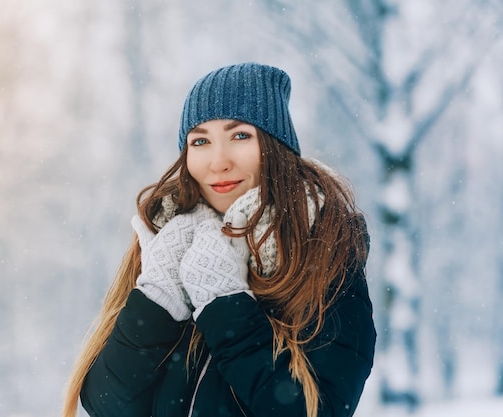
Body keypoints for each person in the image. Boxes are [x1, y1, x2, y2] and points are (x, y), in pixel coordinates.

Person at [62, 62, 376, 417]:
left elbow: (312, 410)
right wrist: (160, 299)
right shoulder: (168, 242)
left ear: (276, 147)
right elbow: (108, 404)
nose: (218, 162)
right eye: (200, 141)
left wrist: (223, 300)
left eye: (240, 136)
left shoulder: (323, 252)